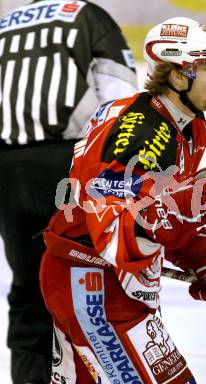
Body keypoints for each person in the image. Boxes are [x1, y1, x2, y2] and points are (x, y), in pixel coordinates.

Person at [39, 16, 206, 383]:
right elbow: (111, 221)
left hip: (102, 281)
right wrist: (179, 208)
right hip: (91, 284)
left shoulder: (187, 123)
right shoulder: (141, 132)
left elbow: (154, 207)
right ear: (178, 76)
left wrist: (195, 250)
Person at [0, 1, 138, 382]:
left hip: (7, 169)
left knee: (29, 289)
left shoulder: (6, 24)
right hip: (67, 165)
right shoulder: (86, 15)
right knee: (89, 289)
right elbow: (122, 101)